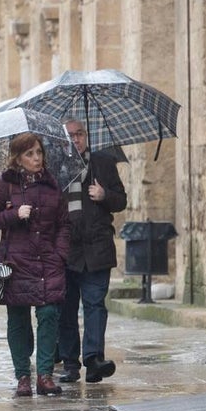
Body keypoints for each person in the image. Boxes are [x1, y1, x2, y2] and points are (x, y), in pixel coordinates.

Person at [0, 131, 70, 397]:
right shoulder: (3, 185)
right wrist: (12, 214)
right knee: (18, 320)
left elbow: (64, 224)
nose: (36, 158)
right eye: (29, 154)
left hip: (47, 260)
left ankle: (44, 375)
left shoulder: (53, 185)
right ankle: (23, 375)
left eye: (39, 152)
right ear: (18, 158)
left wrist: (60, 254)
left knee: (49, 314)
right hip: (16, 261)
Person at [57, 118, 128, 384]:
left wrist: (104, 195)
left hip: (97, 247)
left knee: (95, 305)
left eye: (80, 134)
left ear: (86, 136)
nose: (76, 139)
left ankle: (94, 359)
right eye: (70, 136)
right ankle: (70, 363)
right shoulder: (55, 168)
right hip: (66, 250)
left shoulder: (103, 163)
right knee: (66, 308)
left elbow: (121, 200)